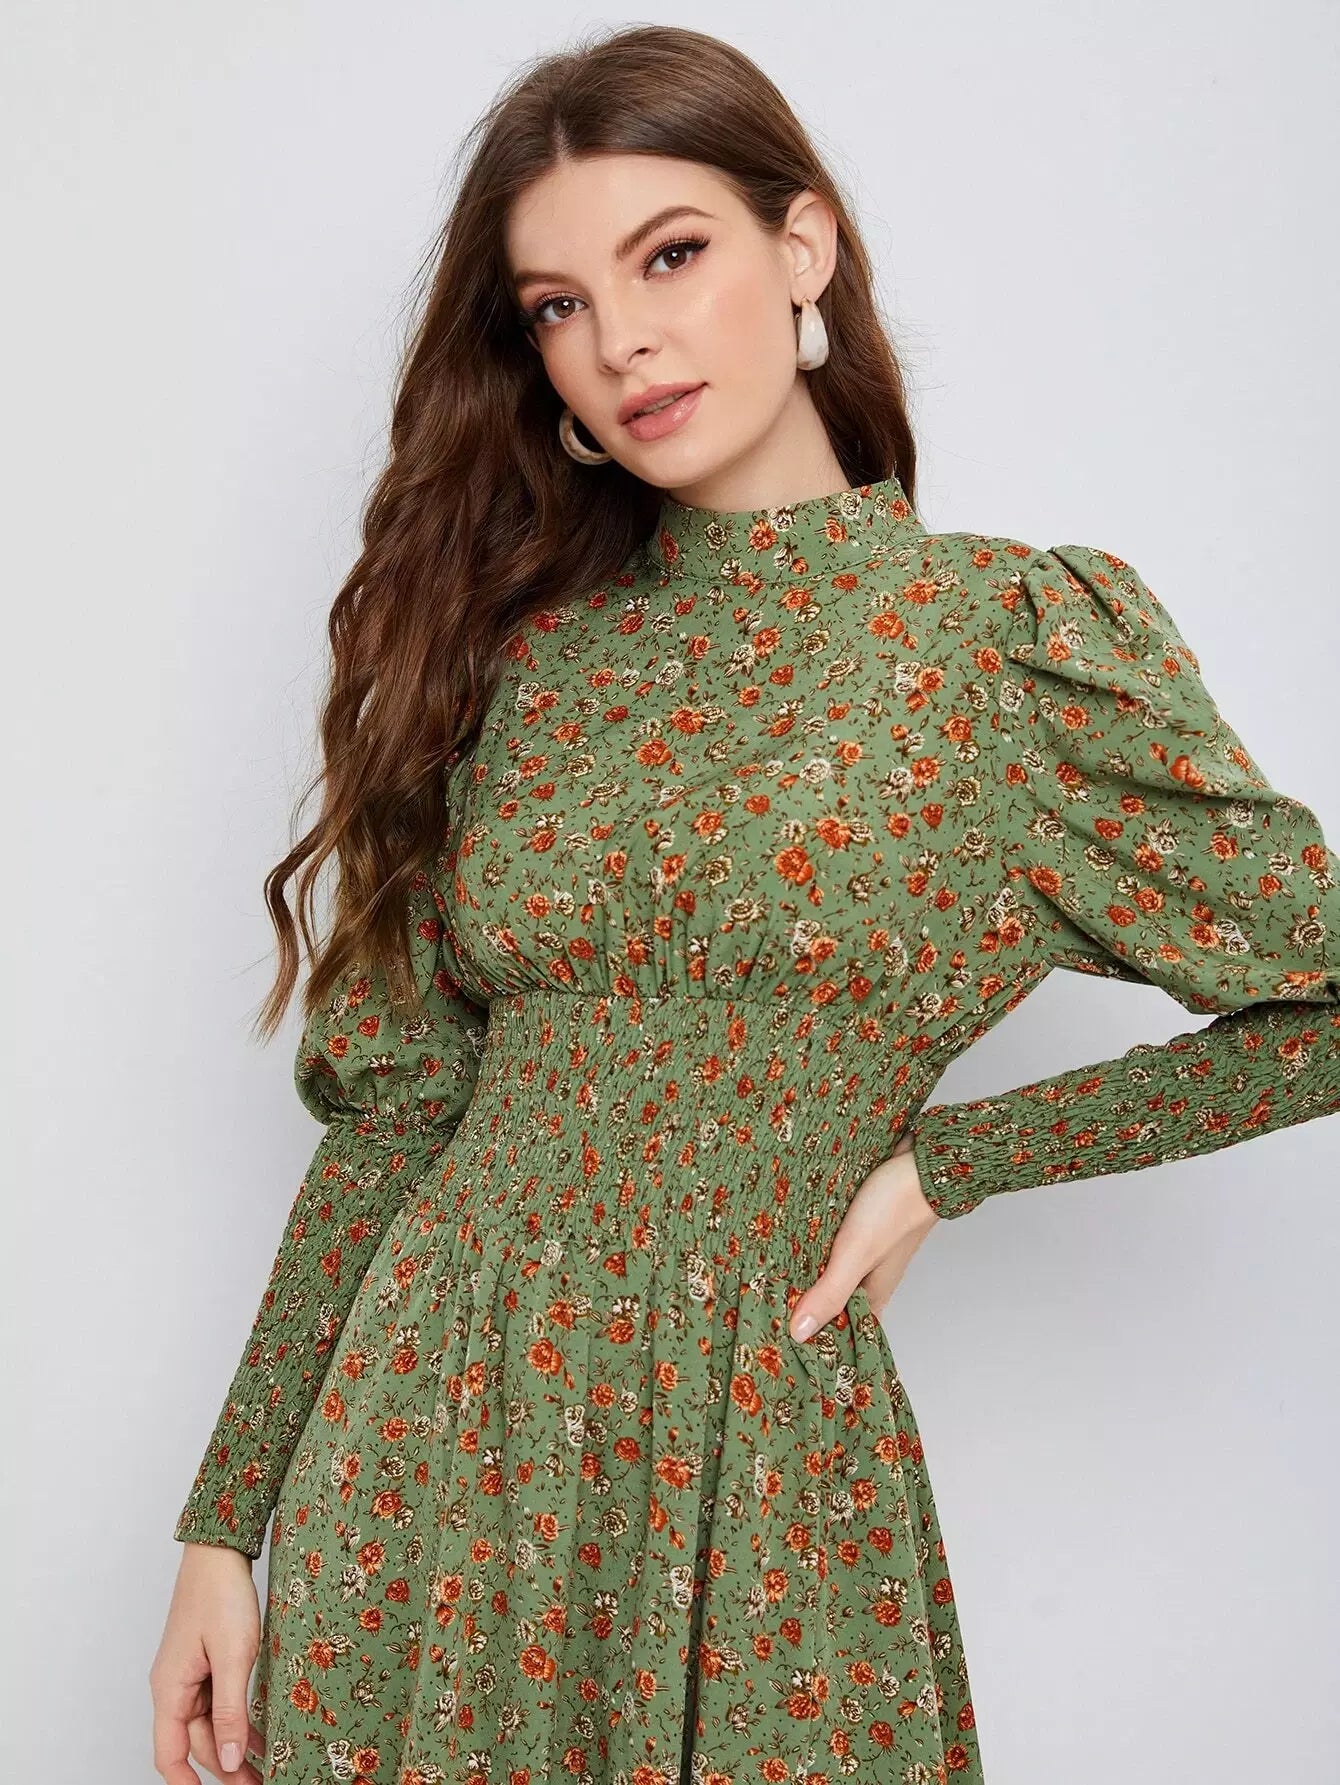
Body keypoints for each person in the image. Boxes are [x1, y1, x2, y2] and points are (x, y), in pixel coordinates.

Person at [149, 23, 1340, 1785]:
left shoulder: (993, 652)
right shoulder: (525, 668)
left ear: (804, 246)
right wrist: (221, 1520)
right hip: (426, 1449)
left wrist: (952, 1163)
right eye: (559, 304)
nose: (622, 339)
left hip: (754, 1474)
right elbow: (400, 1115)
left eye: (670, 255)